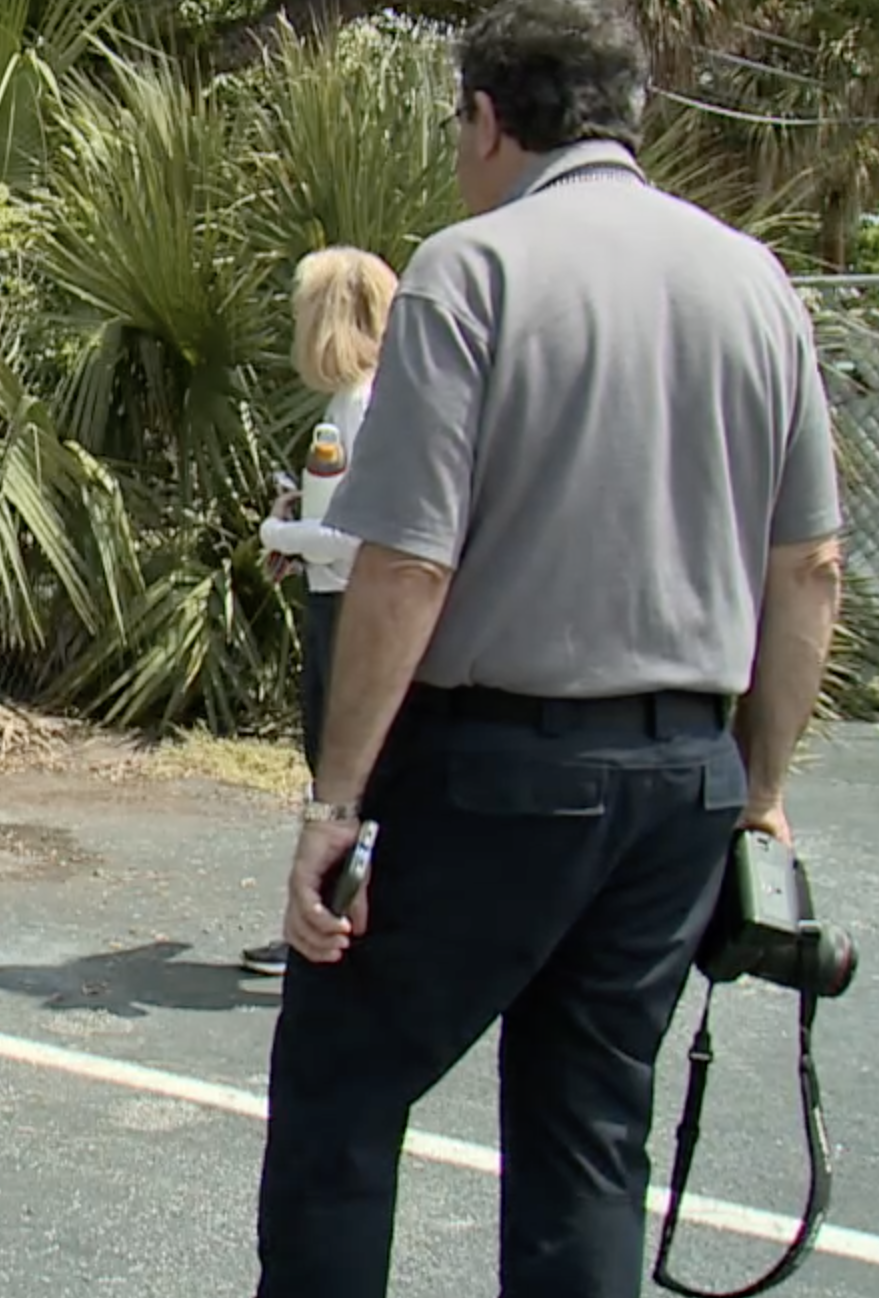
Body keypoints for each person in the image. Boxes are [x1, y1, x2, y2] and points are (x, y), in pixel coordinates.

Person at [252, 2, 843, 1295]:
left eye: (458, 125)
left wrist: (336, 798)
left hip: (499, 769)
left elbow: (406, 562)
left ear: (488, 117)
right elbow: (810, 566)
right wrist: (766, 792)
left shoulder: (472, 268)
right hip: (683, 779)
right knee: (587, 1138)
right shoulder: (758, 281)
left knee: (343, 1087)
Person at [241, 246, 399, 979]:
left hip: (351, 606)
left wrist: (279, 534)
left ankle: (340, 926)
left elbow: (359, 538)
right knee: (325, 766)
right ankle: (331, 919)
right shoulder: (353, 401)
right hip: (331, 598)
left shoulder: (364, 406)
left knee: (342, 779)